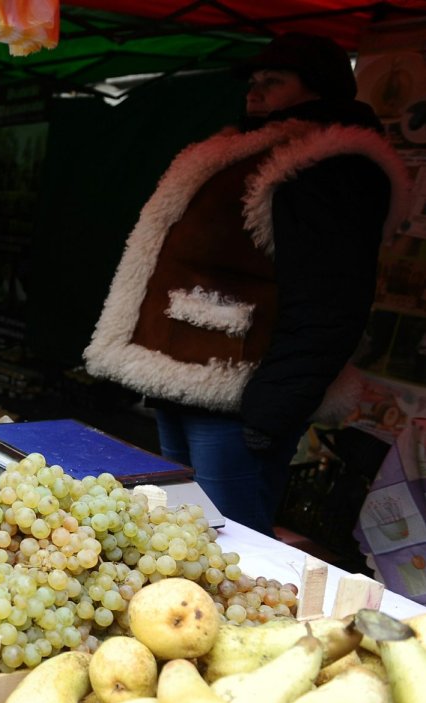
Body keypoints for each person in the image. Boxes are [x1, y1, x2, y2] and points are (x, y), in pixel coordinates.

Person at [84, 33, 408, 535]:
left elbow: (332, 298)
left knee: (229, 539)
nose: (254, 91)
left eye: (272, 82)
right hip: (183, 380)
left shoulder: (329, 164)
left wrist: (271, 410)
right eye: (252, 82)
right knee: (179, 526)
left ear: (318, 89)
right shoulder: (244, 149)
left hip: (240, 396)